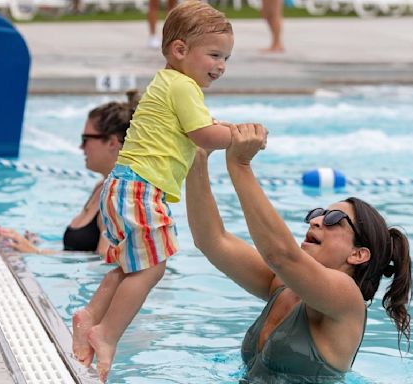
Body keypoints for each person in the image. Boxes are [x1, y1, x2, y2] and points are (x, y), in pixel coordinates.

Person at [74, 2, 265, 381]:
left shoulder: (166, 83)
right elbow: (203, 135)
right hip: (142, 190)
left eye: (226, 57)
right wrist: (242, 137)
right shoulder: (183, 86)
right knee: (152, 268)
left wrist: (219, 128)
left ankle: (90, 314)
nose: (221, 65)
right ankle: (106, 334)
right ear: (179, 51)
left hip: (123, 186)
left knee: (131, 266)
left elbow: (197, 128)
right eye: (214, 55)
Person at [185, 124, 413, 383]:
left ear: (358, 254)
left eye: (335, 219)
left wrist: (240, 165)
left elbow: (281, 255)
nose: (316, 222)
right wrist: (197, 157)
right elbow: (212, 240)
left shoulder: (346, 299)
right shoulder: (282, 286)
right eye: (317, 214)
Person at [0, 91, 139, 255]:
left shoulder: (118, 198)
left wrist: (37, 251)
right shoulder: (101, 187)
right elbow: (82, 248)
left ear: (111, 142)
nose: (81, 147)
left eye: (86, 139)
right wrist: (42, 242)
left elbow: (103, 262)